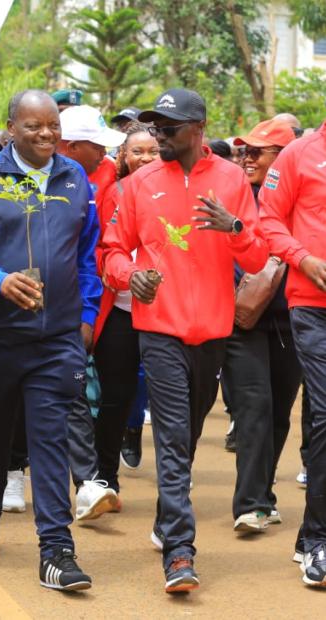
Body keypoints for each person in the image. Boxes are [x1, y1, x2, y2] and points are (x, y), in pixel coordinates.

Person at [102, 88, 268, 593]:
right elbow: (111, 253)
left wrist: (234, 227)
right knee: (172, 439)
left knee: (188, 438)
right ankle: (179, 552)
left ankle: (165, 518)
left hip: (214, 334)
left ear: (198, 128)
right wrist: (132, 275)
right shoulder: (140, 183)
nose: (158, 138)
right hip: (159, 332)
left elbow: (259, 257)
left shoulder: (232, 179)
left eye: (167, 129)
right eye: (153, 129)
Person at [0, 88, 100, 591]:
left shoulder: (75, 177)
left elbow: (86, 252)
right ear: (11, 128)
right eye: (34, 126)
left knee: (50, 438)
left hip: (57, 337)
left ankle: (56, 550)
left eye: (53, 125)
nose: (46, 134)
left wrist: (85, 312)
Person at [222, 119, 301, 535]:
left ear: (283, 158)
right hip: (243, 320)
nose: (246, 158)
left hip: (293, 319)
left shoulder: (301, 195)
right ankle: (250, 503)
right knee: (254, 407)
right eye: (244, 151)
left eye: (258, 152)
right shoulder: (238, 194)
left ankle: (263, 495)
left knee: (279, 414)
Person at [258, 115, 326, 587]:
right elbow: (268, 218)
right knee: (325, 413)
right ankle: (320, 539)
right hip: (312, 306)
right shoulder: (298, 154)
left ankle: (308, 533)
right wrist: (304, 259)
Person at [55, 104, 125, 521]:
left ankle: (86, 483)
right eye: (98, 146)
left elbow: (88, 255)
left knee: (75, 391)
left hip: (71, 310)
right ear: (73, 144)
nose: (106, 154)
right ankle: (8, 472)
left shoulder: (98, 180)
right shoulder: (4, 176)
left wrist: (85, 312)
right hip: (15, 310)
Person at [92, 122, 159, 500]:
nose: (145, 158)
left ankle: (173, 474)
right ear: (123, 156)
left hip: (166, 315)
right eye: (137, 151)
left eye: (152, 150)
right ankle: (106, 475)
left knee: (163, 397)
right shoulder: (111, 193)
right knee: (115, 396)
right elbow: (101, 249)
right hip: (118, 309)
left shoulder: (175, 192)